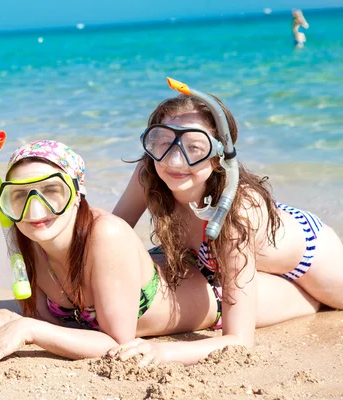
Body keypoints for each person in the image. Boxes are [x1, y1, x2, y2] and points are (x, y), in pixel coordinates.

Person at [0, 139, 321, 371]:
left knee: (325, 301)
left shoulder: (106, 233)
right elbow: (59, 324)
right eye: (20, 196)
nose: (35, 210)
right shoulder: (27, 239)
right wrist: (13, 316)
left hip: (216, 293)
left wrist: (30, 329)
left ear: (77, 193)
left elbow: (117, 343)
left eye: (52, 192)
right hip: (174, 263)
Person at [110, 86, 343, 365]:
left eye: (195, 147)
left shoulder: (237, 214)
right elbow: (113, 236)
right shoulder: (149, 172)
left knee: (335, 303)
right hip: (233, 266)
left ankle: (311, 299)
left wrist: (163, 352)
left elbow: (239, 341)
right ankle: (304, 301)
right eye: (163, 141)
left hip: (310, 258)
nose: (174, 159)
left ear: (221, 154)